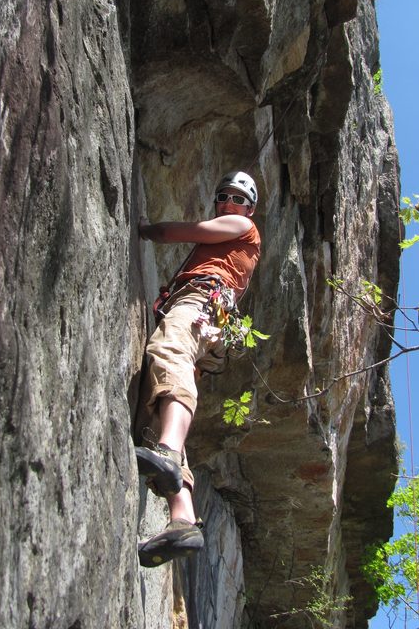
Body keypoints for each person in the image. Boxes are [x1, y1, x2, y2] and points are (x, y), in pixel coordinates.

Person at [136, 171, 261, 567]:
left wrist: (146, 229)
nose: (228, 203)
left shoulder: (242, 227)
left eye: (238, 198)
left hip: (205, 300)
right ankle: (183, 519)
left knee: (169, 352)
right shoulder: (233, 234)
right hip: (211, 313)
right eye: (223, 195)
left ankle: (169, 452)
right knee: (159, 401)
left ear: (249, 208)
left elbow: (188, 231)